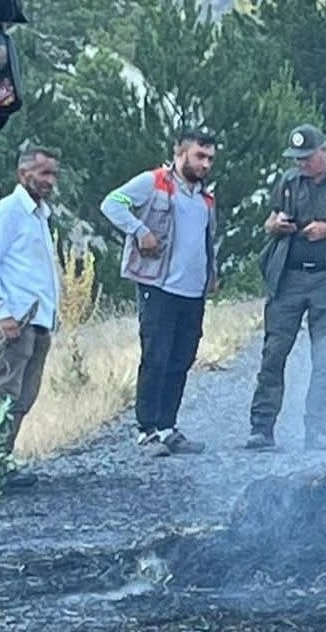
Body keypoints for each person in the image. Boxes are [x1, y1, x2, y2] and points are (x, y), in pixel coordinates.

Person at [246, 124, 326, 451]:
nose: (301, 164)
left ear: (325, 151)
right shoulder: (289, 181)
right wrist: (275, 225)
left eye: (307, 157)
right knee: (274, 352)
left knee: (325, 355)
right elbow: (270, 219)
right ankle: (261, 427)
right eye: (296, 158)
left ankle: (317, 428)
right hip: (288, 277)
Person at [100, 130, 219, 458]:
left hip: (192, 292)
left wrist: (213, 275)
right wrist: (140, 231)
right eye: (200, 156)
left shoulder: (205, 197)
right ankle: (147, 430)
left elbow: (209, 240)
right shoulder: (153, 182)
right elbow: (112, 203)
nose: (206, 164)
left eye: (210, 158)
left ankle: (168, 426)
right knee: (156, 357)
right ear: (180, 154)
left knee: (182, 358)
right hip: (159, 285)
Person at [0, 145, 61, 487]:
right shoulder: (8, 211)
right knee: (3, 394)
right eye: (43, 174)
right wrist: (1, 311)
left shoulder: (41, 214)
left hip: (38, 322)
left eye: (53, 175)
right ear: (23, 174)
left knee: (24, 396)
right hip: (14, 322)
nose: (50, 181)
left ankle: (1, 462)